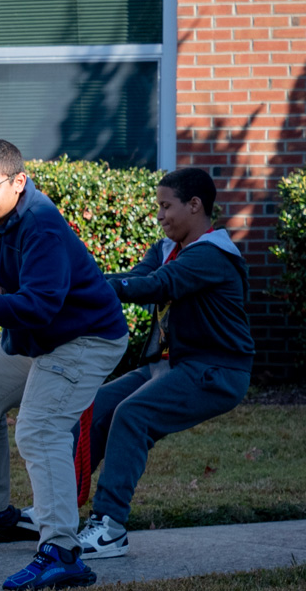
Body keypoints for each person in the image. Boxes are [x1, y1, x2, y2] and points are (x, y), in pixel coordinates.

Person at [0, 139, 128, 591]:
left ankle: (62, 552)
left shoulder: (42, 225)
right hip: (35, 334)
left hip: (84, 337)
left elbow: (41, 305)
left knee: (40, 430)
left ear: (19, 182)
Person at [75, 167, 252, 558]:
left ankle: (109, 527)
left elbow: (155, 285)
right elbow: (136, 276)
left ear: (194, 205)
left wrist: (81, 287)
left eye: (166, 206)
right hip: (170, 365)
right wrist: (73, 284)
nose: (159, 215)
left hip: (216, 370)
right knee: (94, 408)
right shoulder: (166, 250)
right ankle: (58, 513)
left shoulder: (212, 255)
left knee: (133, 414)